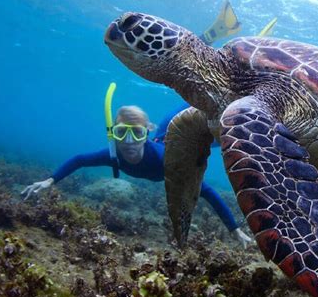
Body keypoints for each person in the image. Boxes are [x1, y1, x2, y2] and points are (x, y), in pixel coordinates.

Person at [22, 105, 252, 246]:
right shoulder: (114, 155)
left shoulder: (167, 161)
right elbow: (79, 160)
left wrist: (234, 228)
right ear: (113, 134)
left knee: (218, 127)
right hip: (163, 134)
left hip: (178, 139)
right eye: (122, 133)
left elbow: (206, 191)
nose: (130, 142)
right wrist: (50, 180)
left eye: (137, 133)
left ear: (145, 134)